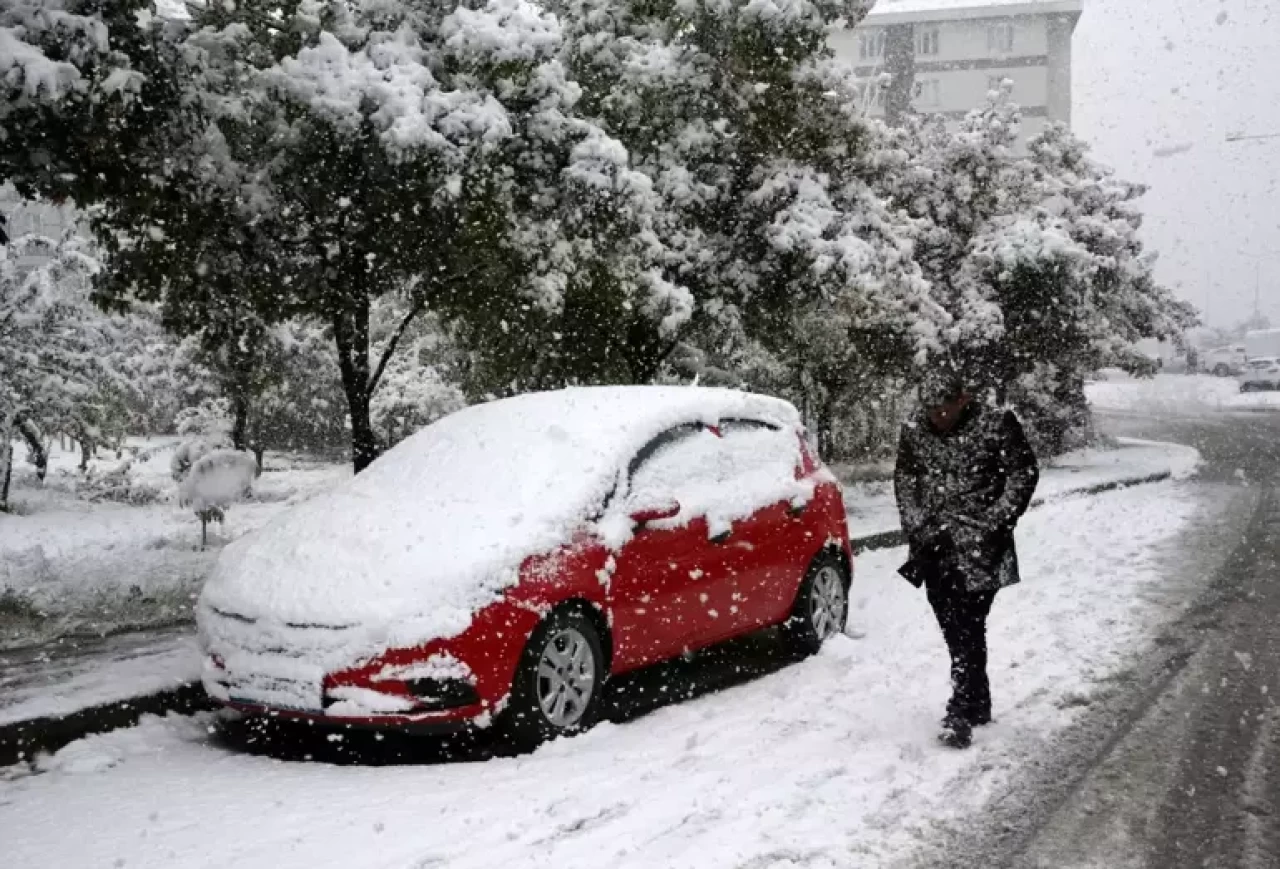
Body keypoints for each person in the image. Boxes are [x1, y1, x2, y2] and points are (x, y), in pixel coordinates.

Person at [894, 369, 1040, 749]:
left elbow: (1023, 474)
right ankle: (978, 699)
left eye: (944, 408)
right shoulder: (915, 431)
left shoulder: (996, 424)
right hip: (933, 545)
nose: (937, 417)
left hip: (981, 548)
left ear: (963, 399)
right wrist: (916, 522)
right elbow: (905, 480)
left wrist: (994, 522)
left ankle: (960, 708)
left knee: (969, 621)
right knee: (950, 621)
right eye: (931, 410)